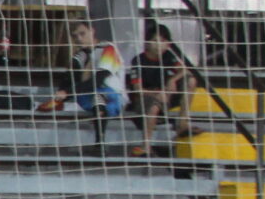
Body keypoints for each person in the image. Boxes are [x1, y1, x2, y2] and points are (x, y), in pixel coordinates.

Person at [39, 20, 126, 120]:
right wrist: (60, 97)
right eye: (75, 36)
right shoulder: (79, 56)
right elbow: (68, 82)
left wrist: (68, 92)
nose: (79, 39)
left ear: (92, 31)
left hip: (112, 96)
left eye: (82, 34)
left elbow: (98, 80)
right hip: (87, 97)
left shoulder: (108, 48)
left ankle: (100, 131)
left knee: (97, 98)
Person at [130, 21, 195, 156]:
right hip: (145, 98)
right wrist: (157, 94)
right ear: (147, 43)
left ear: (168, 44)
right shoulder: (138, 61)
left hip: (165, 96)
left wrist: (173, 79)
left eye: (163, 41)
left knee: (191, 80)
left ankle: (182, 124)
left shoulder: (168, 57)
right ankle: (146, 146)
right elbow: (138, 90)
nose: (159, 45)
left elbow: (186, 70)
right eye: (155, 40)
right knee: (154, 106)